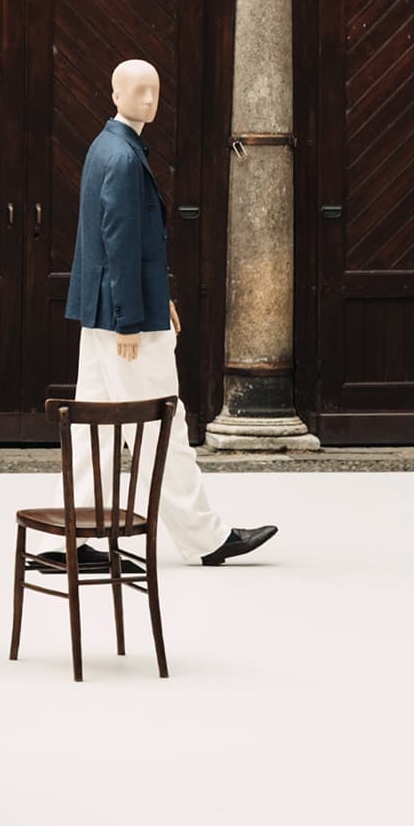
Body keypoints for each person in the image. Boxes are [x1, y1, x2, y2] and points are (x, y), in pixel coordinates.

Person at [60, 61, 278, 569]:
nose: (149, 98)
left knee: (93, 427)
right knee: (163, 425)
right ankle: (206, 538)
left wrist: (155, 301)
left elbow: (123, 246)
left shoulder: (105, 147)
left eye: (155, 89)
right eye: (138, 90)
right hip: (123, 320)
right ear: (115, 94)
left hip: (104, 315)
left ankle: (78, 533)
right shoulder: (123, 157)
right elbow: (118, 244)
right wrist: (132, 320)